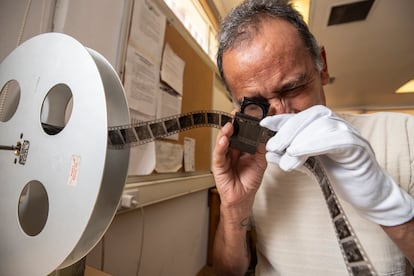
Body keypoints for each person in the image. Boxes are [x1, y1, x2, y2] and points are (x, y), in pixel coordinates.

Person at [211, 0, 414, 275]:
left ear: (323, 67)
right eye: (255, 104)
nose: (284, 113)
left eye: (293, 88)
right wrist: (234, 208)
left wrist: (387, 204)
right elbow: (228, 272)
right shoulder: (249, 161)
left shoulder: (404, 133)